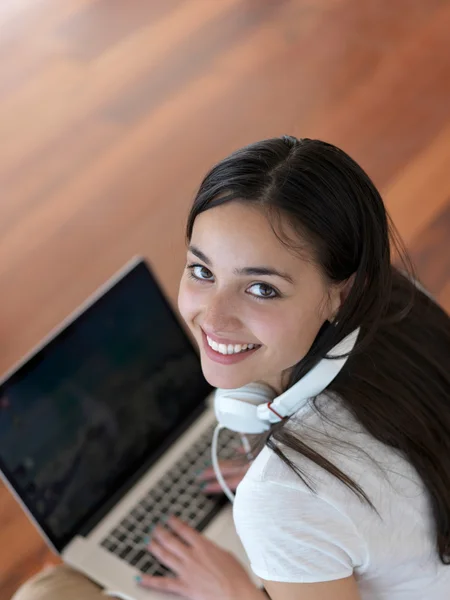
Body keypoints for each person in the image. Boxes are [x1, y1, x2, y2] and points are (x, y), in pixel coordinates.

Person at [13, 137, 450, 600]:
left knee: (49, 592)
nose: (214, 318)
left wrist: (237, 593)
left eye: (262, 288)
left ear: (340, 294)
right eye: (203, 271)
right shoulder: (399, 307)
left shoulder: (284, 497)